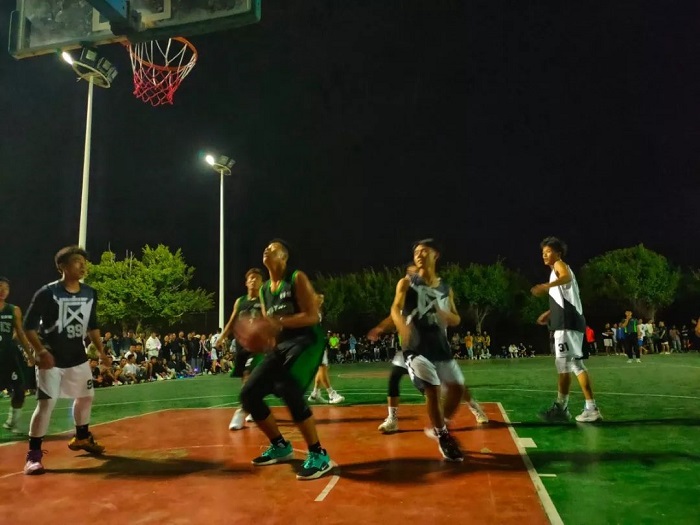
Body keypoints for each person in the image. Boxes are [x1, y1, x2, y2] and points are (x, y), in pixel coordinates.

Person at [234, 239, 333, 480]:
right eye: (266, 247)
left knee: (289, 388)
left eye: (273, 248)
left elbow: (312, 316)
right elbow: (269, 327)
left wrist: (278, 322)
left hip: (307, 341)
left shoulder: (297, 278)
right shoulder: (264, 290)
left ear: (284, 257)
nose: (267, 249)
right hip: (282, 345)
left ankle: (318, 454)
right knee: (249, 394)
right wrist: (258, 338)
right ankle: (280, 446)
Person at [22, 246, 108, 475]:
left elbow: (92, 325)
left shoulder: (90, 293)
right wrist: (41, 352)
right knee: (46, 404)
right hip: (51, 357)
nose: (82, 266)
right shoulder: (47, 293)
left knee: (86, 396)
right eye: (77, 261)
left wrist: (101, 351)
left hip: (77, 355)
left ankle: (82, 437)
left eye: (84, 262)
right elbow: (28, 327)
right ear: (62, 266)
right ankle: (33, 456)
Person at [390, 239, 466, 461]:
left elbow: (457, 318)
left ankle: (440, 425)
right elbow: (395, 308)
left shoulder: (445, 288)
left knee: (457, 389)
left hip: (440, 346)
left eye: (424, 250)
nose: (419, 254)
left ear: (436, 255)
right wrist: (401, 324)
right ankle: (443, 436)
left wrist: (447, 315)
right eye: (416, 251)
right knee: (432, 389)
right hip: (415, 346)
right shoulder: (406, 283)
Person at [532, 237, 602, 423]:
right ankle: (590, 408)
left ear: (558, 253)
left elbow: (566, 277)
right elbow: (565, 298)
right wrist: (549, 313)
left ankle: (562, 408)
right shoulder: (555, 272)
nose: (544, 255)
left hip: (567, 324)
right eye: (543, 252)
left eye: (548, 251)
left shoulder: (560, 265)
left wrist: (546, 286)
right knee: (575, 365)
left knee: (564, 365)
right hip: (571, 322)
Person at [218, 268, 265, 430]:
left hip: (258, 346)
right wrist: (222, 337)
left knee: (248, 375)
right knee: (245, 379)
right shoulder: (240, 301)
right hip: (241, 344)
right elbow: (232, 322)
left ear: (262, 283)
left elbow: (268, 320)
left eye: (257, 278)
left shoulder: (263, 300)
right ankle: (252, 406)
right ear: (246, 282)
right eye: (251, 278)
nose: (253, 280)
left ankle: (241, 411)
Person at [0, 276, 35, 432]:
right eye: (0, 286)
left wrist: (30, 354)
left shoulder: (14, 310)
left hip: (9, 354)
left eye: (6, 288)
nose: (3, 290)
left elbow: (20, 333)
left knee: (19, 389)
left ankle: (12, 421)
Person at [308, 294, 345, 405]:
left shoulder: (317, 311)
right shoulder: (311, 311)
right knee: (322, 367)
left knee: (323, 368)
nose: (321, 301)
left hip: (318, 342)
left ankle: (315, 393)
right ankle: (331, 394)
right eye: (319, 299)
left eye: (322, 300)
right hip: (315, 343)